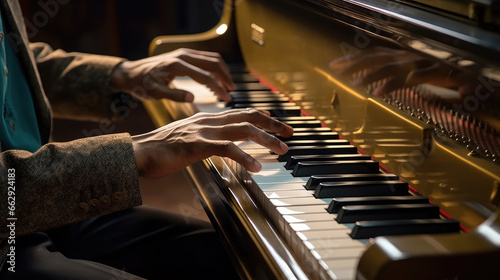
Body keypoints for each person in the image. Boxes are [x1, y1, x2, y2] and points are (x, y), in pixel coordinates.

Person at [0, 1, 294, 279]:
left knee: (237, 260)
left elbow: (15, 56)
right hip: (8, 238)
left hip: (46, 204)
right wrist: (135, 152)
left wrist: (121, 73)